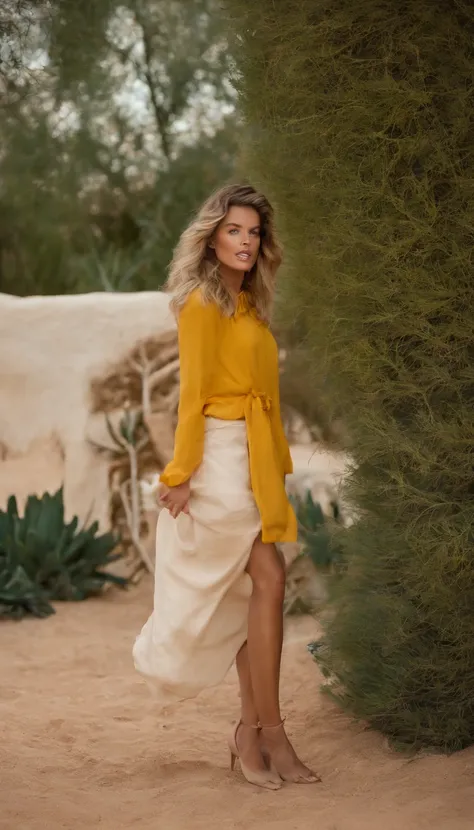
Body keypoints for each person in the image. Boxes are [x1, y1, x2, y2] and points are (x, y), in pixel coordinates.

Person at [133, 184, 319, 789]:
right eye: (234, 230)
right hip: (218, 458)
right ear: (211, 236)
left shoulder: (250, 306)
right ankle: (269, 735)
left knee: (261, 588)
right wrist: (181, 474)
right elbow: (193, 394)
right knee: (267, 579)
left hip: (254, 456)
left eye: (254, 232)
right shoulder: (200, 304)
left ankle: (255, 734)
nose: (246, 241)